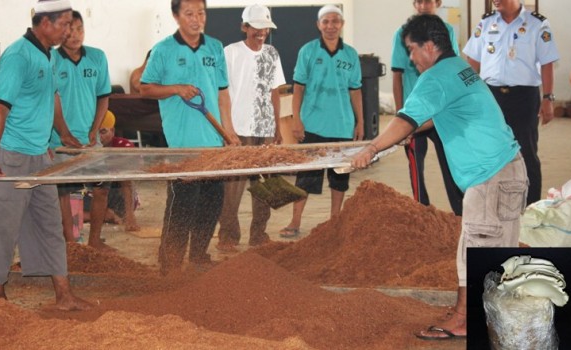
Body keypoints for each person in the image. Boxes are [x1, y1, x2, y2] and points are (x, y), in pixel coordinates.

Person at [352, 14, 528, 340]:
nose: (411, 59)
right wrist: (410, 130)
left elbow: (405, 118)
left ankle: (469, 321)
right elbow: (434, 115)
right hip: (503, 172)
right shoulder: (458, 68)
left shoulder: (434, 77)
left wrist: (371, 149)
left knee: (479, 253)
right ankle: (472, 315)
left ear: (429, 46)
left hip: (492, 177)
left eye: (412, 50)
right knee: (476, 250)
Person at [0, 0, 91, 310]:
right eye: (64, 24)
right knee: (1, 225)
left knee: (49, 224)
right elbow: (1, 108)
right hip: (9, 155)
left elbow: (51, 96)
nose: (68, 30)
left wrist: (63, 134)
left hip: (40, 155)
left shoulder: (48, 55)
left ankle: (63, 294)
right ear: (45, 23)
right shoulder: (17, 56)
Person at [139, 0, 240, 274]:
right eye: (189, 14)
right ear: (176, 16)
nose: (197, 19)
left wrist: (228, 130)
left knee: (211, 203)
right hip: (182, 145)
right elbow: (145, 88)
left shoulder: (215, 48)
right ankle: (169, 262)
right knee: (182, 205)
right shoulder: (163, 51)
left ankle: (198, 255)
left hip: (214, 142)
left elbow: (222, 93)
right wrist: (175, 88)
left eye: (201, 13)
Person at [463, 0, 559, 205]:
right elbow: (472, 61)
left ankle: (531, 207)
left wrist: (548, 98)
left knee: (527, 152)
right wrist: (469, 95)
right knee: (489, 151)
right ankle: (492, 203)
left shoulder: (537, 24)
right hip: (490, 96)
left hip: (524, 97)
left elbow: (547, 63)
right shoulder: (486, 23)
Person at [280, 4, 364, 238]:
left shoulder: (350, 55)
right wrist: (296, 120)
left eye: (335, 21)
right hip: (313, 124)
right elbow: (298, 88)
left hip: (342, 124)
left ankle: (335, 222)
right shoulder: (307, 51)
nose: (330, 26)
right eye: (325, 21)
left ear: (342, 25)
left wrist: (360, 122)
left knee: (340, 178)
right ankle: (295, 221)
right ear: (318, 25)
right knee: (305, 177)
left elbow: (356, 91)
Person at [215, 4, 286, 252]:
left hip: (264, 129)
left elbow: (274, 92)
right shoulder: (230, 53)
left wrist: (278, 127)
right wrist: (227, 129)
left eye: (265, 27)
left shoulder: (272, 53)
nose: (261, 32)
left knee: (263, 185)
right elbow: (220, 92)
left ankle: (258, 234)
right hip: (238, 130)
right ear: (244, 27)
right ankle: (228, 235)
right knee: (232, 186)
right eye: (256, 27)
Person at [391, 0, 463, 216]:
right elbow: (397, 75)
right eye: (419, 1)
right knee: (415, 167)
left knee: (451, 165)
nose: (423, 5)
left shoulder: (447, 31)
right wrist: (401, 115)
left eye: (428, 1)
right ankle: (422, 213)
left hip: (441, 112)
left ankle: (460, 214)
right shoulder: (402, 34)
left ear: (438, 3)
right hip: (415, 114)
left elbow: (452, 68)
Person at [50, 10, 114, 251]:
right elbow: (50, 101)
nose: (75, 35)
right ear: (61, 31)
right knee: (63, 193)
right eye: (70, 30)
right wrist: (64, 133)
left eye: (80, 29)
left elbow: (103, 98)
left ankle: (94, 241)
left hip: (90, 142)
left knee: (102, 188)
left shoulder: (97, 58)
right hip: (59, 141)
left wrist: (94, 131)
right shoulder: (51, 60)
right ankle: (69, 244)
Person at [83, 110, 140, 232]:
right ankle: (104, 215)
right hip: (92, 193)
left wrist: (130, 215)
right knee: (70, 204)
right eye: (96, 133)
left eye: (103, 131)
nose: (99, 137)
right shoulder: (86, 147)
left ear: (112, 131)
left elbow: (127, 181)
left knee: (125, 178)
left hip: (117, 194)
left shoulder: (124, 147)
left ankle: (104, 214)